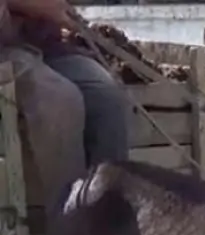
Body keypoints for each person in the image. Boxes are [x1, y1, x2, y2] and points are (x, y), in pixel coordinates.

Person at [0, 0, 129, 210]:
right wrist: (34, 6)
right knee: (61, 100)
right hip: (4, 50)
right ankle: (69, 224)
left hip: (42, 45)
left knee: (107, 95)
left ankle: (109, 217)